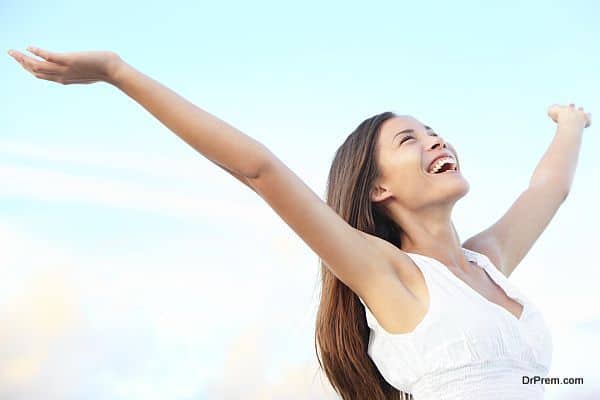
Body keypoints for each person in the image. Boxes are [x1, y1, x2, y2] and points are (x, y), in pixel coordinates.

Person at [7, 47, 591, 400]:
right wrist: (116, 71)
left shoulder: (490, 262)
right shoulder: (390, 276)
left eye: (433, 130)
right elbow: (259, 169)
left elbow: (551, 188)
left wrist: (570, 122)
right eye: (409, 138)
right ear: (378, 187)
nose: (435, 139)